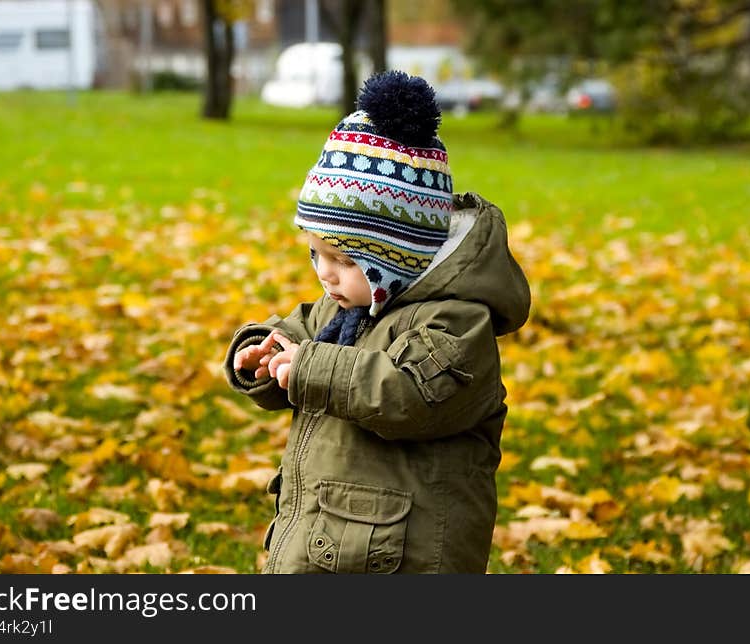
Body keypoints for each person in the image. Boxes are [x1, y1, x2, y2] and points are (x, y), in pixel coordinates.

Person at [222, 70, 530, 574]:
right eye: (316, 254)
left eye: (344, 261)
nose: (324, 275)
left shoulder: (455, 325)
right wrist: (264, 353)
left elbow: (406, 395)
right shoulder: (348, 305)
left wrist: (310, 368)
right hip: (333, 536)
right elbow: (300, 333)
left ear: (396, 257)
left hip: (407, 554)